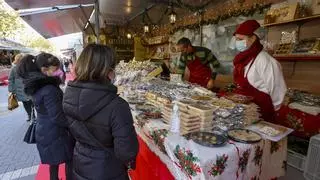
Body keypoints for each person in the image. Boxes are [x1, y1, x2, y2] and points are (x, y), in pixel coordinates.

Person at [63, 44, 139, 180]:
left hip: (80, 164)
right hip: (109, 170)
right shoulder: (117, 106)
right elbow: (126, 152)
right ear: (107, 70)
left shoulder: (68, 97)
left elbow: (70, 136)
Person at [16, 53, 73, 180]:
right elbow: (57, 116)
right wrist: (73, 125)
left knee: (54, 163)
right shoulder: (49, 89)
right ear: (44, 69)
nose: (58, 71)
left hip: (45, 129)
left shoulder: (38, 86)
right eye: (55, 68)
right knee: (69, 158)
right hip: (55, 132)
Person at [232, 20, 287, 122]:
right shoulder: (243, 59)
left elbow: (278, 91)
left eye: (240, 39)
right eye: (236, 39)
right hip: (245, 111)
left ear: (253, 38)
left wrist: (270, 113)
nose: (237, 42)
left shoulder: (265, 60)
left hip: (262, 112)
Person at [8, 53, 34, 121]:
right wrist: (11, 90)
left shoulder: (28, 67)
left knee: (30, 102)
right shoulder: (14, 68)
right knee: (26, 103)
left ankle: (31, 114)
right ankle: (30, 114)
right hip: (21, 90)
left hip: (27, 88)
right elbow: (11, 79)